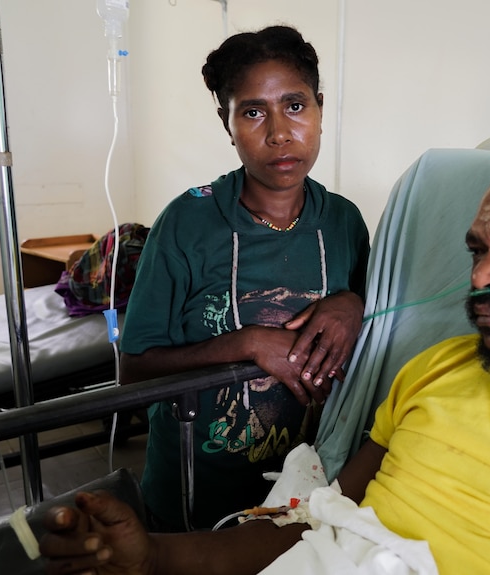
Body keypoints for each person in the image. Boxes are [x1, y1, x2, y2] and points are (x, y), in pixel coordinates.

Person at [40, 138, 490, 574]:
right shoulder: (438, 369)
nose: (482, 275)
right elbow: (318, 530)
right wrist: (153, 558)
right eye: (479, 248)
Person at [117, 25, 370, 531]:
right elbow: (134, 369)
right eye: (253, 112)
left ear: (320, 107)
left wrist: (354, 303)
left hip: (303, 498)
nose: (279, 132)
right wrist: (249, 343)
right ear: (226, 122)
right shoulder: (187, 224)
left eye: (295, 106)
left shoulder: (344, 222)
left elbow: (379, 331)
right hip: (192, 498)